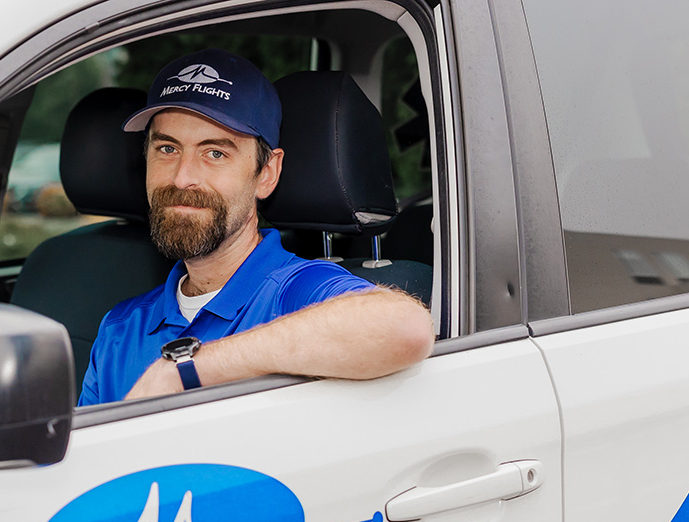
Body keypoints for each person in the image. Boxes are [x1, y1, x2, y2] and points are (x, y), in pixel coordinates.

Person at [77, 49, 434, 407]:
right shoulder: (120, 329)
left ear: (266, 174)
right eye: (168, 149)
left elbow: (405, 327)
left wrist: (184, 370)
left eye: (215, 153)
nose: (182, 178)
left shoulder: (296, 293)